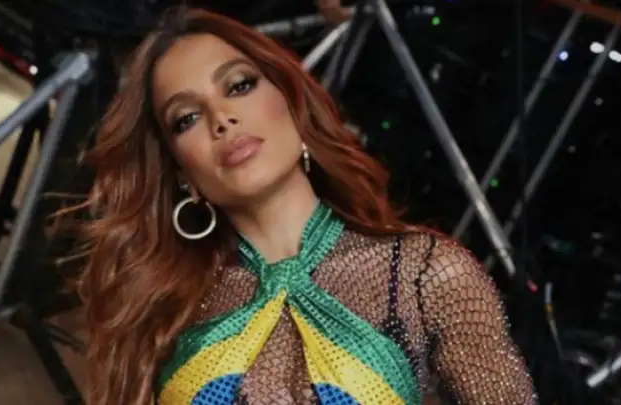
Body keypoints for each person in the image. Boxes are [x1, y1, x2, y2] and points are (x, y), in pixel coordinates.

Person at [74, 7, 537, 405]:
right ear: (183, 175)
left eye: (239, 86)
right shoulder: (168, 309)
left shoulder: (424, 275)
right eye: (187, 118)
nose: (222, 119)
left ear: (292, 101)